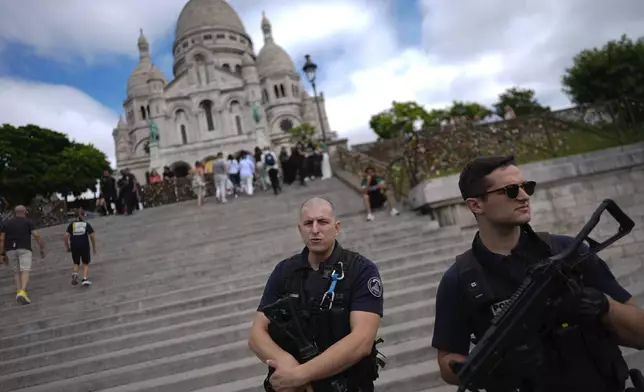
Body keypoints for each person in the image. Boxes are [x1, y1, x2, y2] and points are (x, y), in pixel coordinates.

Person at [431, 155, 644, 392]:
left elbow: (640, 333)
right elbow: (447, 362)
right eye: (511, 190)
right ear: (476, 205)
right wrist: (492, 371)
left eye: (526, 187)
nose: (524, 196)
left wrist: (604, 306)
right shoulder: (460, 279)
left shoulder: (566, 251)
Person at [248, 197, 385, 392]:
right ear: (300, 230)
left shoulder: (361, 270)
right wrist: (288, 364)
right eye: (308, 223)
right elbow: (256, 334)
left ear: (337, 228)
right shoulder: (284, 272)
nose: (314, 230)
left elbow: (362, 341)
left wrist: (301, 375)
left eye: (322, 222)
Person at [0, 205, 45, 304]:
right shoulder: (28, 222)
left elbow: (2, 239)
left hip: (10, 250)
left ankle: (18, 291)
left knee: (16, 272)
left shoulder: (6, 223)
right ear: (25, 212)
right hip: (24, 248)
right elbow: (36, 235)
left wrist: (2, 254)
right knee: (25, 270)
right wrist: (41, 247)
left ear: (14, 213)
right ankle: (23, 291)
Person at [64, 208, 97, 287]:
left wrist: (67, 247)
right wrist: (94, 247)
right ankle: (85, 278)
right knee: (85, 262)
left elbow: (65, 236)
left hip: (74, 246)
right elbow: (92, 235)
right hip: (84, 245)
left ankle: (75, 273)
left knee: (76, 262)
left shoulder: (72, 225)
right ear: (83, 215)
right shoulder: (86, 224)